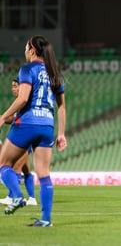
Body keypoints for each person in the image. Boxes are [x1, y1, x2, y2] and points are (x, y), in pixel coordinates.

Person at [0, 35, 67, 227]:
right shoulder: (55, 73)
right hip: (47, 125)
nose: (24, 52)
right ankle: (46, 219)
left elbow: (22, 99)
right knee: (44, 174)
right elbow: (61, 107)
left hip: (27, 123)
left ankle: (17, 196)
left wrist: (3, 117)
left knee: (3, 164)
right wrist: (61, 134)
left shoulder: (27, 70)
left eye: (25, 48)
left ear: (31, 50)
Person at [0, 79, 37, 206]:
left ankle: (12, 196)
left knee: (14, 167)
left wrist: (3, 118)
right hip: (27, 140)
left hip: (25, 140)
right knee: (26, 170)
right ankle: (32, 199)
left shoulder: (26, 103)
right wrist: (4, 119)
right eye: (12, 86)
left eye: (15, 86)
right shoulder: (20, 105)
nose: (13, 89)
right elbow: (13, 119)